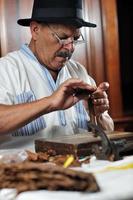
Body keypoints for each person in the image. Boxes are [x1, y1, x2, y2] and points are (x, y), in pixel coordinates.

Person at [0, 0, 114, 150]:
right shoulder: (6, 69)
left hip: (80, 168)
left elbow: (108, 131)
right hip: (23, 171)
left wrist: (99, 115)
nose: (70, 47)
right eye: (62, 37)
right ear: (35, 30)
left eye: (75, 39)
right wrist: (50, 102)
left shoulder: (79, 71)